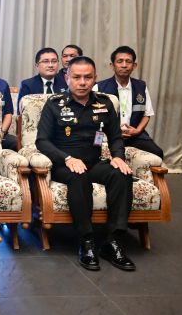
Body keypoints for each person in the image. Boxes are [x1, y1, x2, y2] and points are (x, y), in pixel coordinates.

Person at [36, 56, 136, 272]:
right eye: (77, 77)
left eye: (87, 77)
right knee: (78, 176)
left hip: (94, 162)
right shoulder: (54, 104)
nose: (82, 82)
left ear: (95, 78)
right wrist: (67, 159)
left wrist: (118, 156)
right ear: (67, 78)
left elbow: (115, 137)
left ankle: (113, 242)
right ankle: (87, 241)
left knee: (122, 174)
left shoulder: (104, 103)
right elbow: (42, 141)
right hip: (66, 165)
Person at [96, 46, 163, 159]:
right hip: (107, 135)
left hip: (134, 135)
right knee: (93, 152)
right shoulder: (99, 87)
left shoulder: (141, 86)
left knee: (158, 152)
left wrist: (137, 130)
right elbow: (92, 117)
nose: (124, 65)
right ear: (112, 66)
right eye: (120, 61)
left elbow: (147, 114)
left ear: (134, 66)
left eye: (128, 61)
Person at [17, 47, 68, 113]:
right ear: (37, 66)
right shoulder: (27, 85)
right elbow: (21, 113)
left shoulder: (65, 82)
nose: (50, 65)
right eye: (46, 61)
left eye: (54, 61)